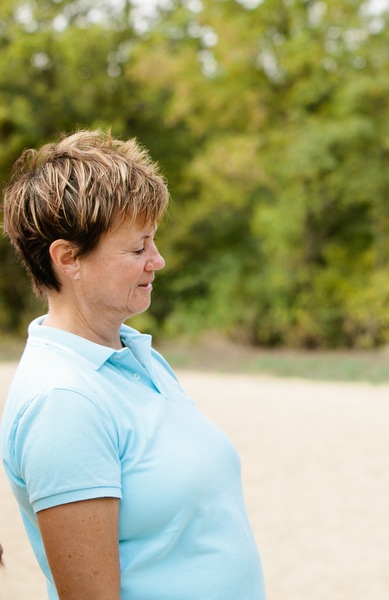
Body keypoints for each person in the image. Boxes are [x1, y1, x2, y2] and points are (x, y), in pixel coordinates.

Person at [0, 131, 266, 599]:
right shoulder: (63, 402)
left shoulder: (136, 356)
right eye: (138, 248)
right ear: (68, 259)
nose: (157, 261)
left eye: (154, 242)